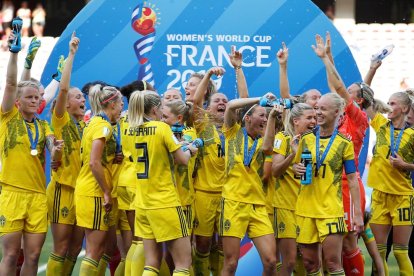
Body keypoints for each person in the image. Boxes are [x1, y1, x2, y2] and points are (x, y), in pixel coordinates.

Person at [0, 27, 62, 276]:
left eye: (38, 97)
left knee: (34, 256)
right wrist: (16, 55)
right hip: (12, 193)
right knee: (12, 254)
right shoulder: (8, 117)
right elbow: (12, 83)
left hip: (37, 196)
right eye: (31, 97)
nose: (37, 100)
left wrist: (56, 150)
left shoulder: (43, 125)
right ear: (18, 101)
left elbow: (53, 154)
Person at [312, 33, 371, 276]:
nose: (345, 91)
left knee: (347, 242)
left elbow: (336, 87)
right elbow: (333, 86)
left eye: (350, 91)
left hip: (347, 186)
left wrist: (327, 58)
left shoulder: (358, 118)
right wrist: (328, 59)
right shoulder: (340, 115)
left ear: (359, 100)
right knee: (329, 245)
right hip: (328, 185)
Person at [127, 90, 198, 276]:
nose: (162, 115)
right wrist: (190, 149)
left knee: (151, 263)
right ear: (154, 110)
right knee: (183, 263)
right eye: (161, 110)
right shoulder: (161, 128)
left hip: (143, 204)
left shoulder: (132, 129)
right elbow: (182, 160)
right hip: (164, 202)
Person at [292, 92, 364, 276]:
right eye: (317, 108)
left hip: (330, 211)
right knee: (310, 264)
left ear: (337, 112)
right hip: (305, 210)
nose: (318, 112)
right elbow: (300, 171)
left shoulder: (343, 143)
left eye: (323, 109)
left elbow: (353, 180)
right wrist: (296, 168)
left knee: (333, 264)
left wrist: (357, 215)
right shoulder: (306, 140)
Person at [192, 47, 248, 276]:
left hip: (229, 197)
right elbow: (196, 102)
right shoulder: (202, 124)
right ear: (208, 106)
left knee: (225, 247)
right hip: (205, 193)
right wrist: (207, 76)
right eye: (217, 100)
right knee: (203, 245)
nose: (223, 102)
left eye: (226, 100)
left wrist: (238, 69)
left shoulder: (234, 129)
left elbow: (244, 101)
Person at [220, 93, 283, 276]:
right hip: (233, 203)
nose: (264, 118)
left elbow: (267, 148)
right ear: (247, 118)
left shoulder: (265, 138)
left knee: (271, 262)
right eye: (261, 115)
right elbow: (231, 105)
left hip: (257, 205)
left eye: (266, 115)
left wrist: (271, 118)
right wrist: (259, 99)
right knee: (231, 263)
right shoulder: (232, 132)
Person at [45, 32, 86, 275]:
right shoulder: (61, 120)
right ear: (67, 104)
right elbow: (62, 90)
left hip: (81, 193)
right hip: (63, 190)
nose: (84, 100)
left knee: (73, 249)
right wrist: (71, 54)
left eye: (83, 96)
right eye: (78, 96)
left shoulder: (85, 126)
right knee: (60, 248)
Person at [75, 84, 124, 275]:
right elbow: (94, 163)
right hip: (94, 192)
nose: (121, 107)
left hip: (90, 189)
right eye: (120, 104)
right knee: (94, 251)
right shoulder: (103, 127)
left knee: (105, 248)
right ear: (111, 105)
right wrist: (106, 191)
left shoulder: (94, 122)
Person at [365, 91, 414, 276]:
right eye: (388, 102)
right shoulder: (381, 125)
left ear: (404, 108)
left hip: (402, 197)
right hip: (379, 196)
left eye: (393, 103)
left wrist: (405, 165)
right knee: (379, 253)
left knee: (401, 253)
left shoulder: (412, 134)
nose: (389, 106)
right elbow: (366, 103)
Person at [271, 103, 316, 275]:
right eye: (309, 118)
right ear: (296, 121)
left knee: (307, 260)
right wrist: (292, 157)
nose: (313, 121)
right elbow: (275, 171)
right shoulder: (283, 138)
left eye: (314, 117)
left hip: (308, 207)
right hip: (286, 206)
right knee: (288, 261)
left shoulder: (314, 139)